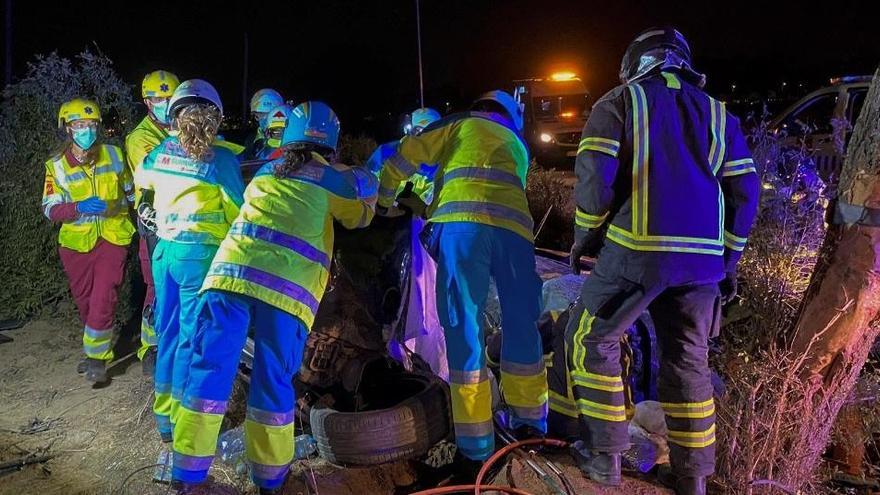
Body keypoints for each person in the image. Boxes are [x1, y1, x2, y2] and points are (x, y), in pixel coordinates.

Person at [566, 27, 760, 494]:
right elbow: (746, 192)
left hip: (635, 254)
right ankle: (693, 479)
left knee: (589, 338)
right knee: (689, 362)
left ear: (635, 63)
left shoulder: (617, 102)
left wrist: (582, 238)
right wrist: (727, 259)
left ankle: (605, 458)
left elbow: (594, 183)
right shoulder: (719, 113)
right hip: (702, 269)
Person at [170, 101, 376, 494]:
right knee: (273, 382)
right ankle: (270, 480)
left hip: (227, 279)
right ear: (330, 142)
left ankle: (187, 475)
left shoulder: (267, 170)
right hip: (285, 292)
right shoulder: (331, 178)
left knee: (207, 371)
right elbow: (360, 216)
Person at [376, 92, 547, 466]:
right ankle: (531, 425)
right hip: (516, 235)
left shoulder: (460, 123)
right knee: (522, 326)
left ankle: (475, 447)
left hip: (462, 230)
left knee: (463, 330)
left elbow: (406, 155)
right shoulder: (517, 144)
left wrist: (384, 200)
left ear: (480, 107)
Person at [134, 79, 245, 443]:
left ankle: (164, 418)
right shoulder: (222, 160)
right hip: (200, 259)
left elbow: (143, 182)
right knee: (192, 339)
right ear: (213, 118)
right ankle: (185, 419)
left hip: (165, 253)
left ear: (175, 116)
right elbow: (237, 214)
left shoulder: (159, 153)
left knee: (167, 333)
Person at [42, 98, 135, 384]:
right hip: (76, 243)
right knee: (85, 302)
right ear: (67, 129)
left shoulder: (115, 155)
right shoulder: (56, 167)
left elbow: (131, 191)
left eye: (91, 124)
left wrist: (141, 214)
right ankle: (94, 346)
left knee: (104, 294)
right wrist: (78, 207)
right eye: (79, 125)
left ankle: (96, 359)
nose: (87, 130)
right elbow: (49, 208)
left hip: (113, 234)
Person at [125, 69, 181, 376]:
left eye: (171, 98)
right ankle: (151, 348)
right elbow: (161, 170)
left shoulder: (180, 129)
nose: (167, 103)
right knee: (157, 285)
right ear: (148, 102)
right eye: (160, 99)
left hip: (182, 216)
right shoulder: (141, 138)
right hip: (154, 219)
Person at [243, 88, 284, 159]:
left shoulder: (289, 139)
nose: (265, 119)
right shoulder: (251, 141)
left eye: (269, 114)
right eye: (260, 114)